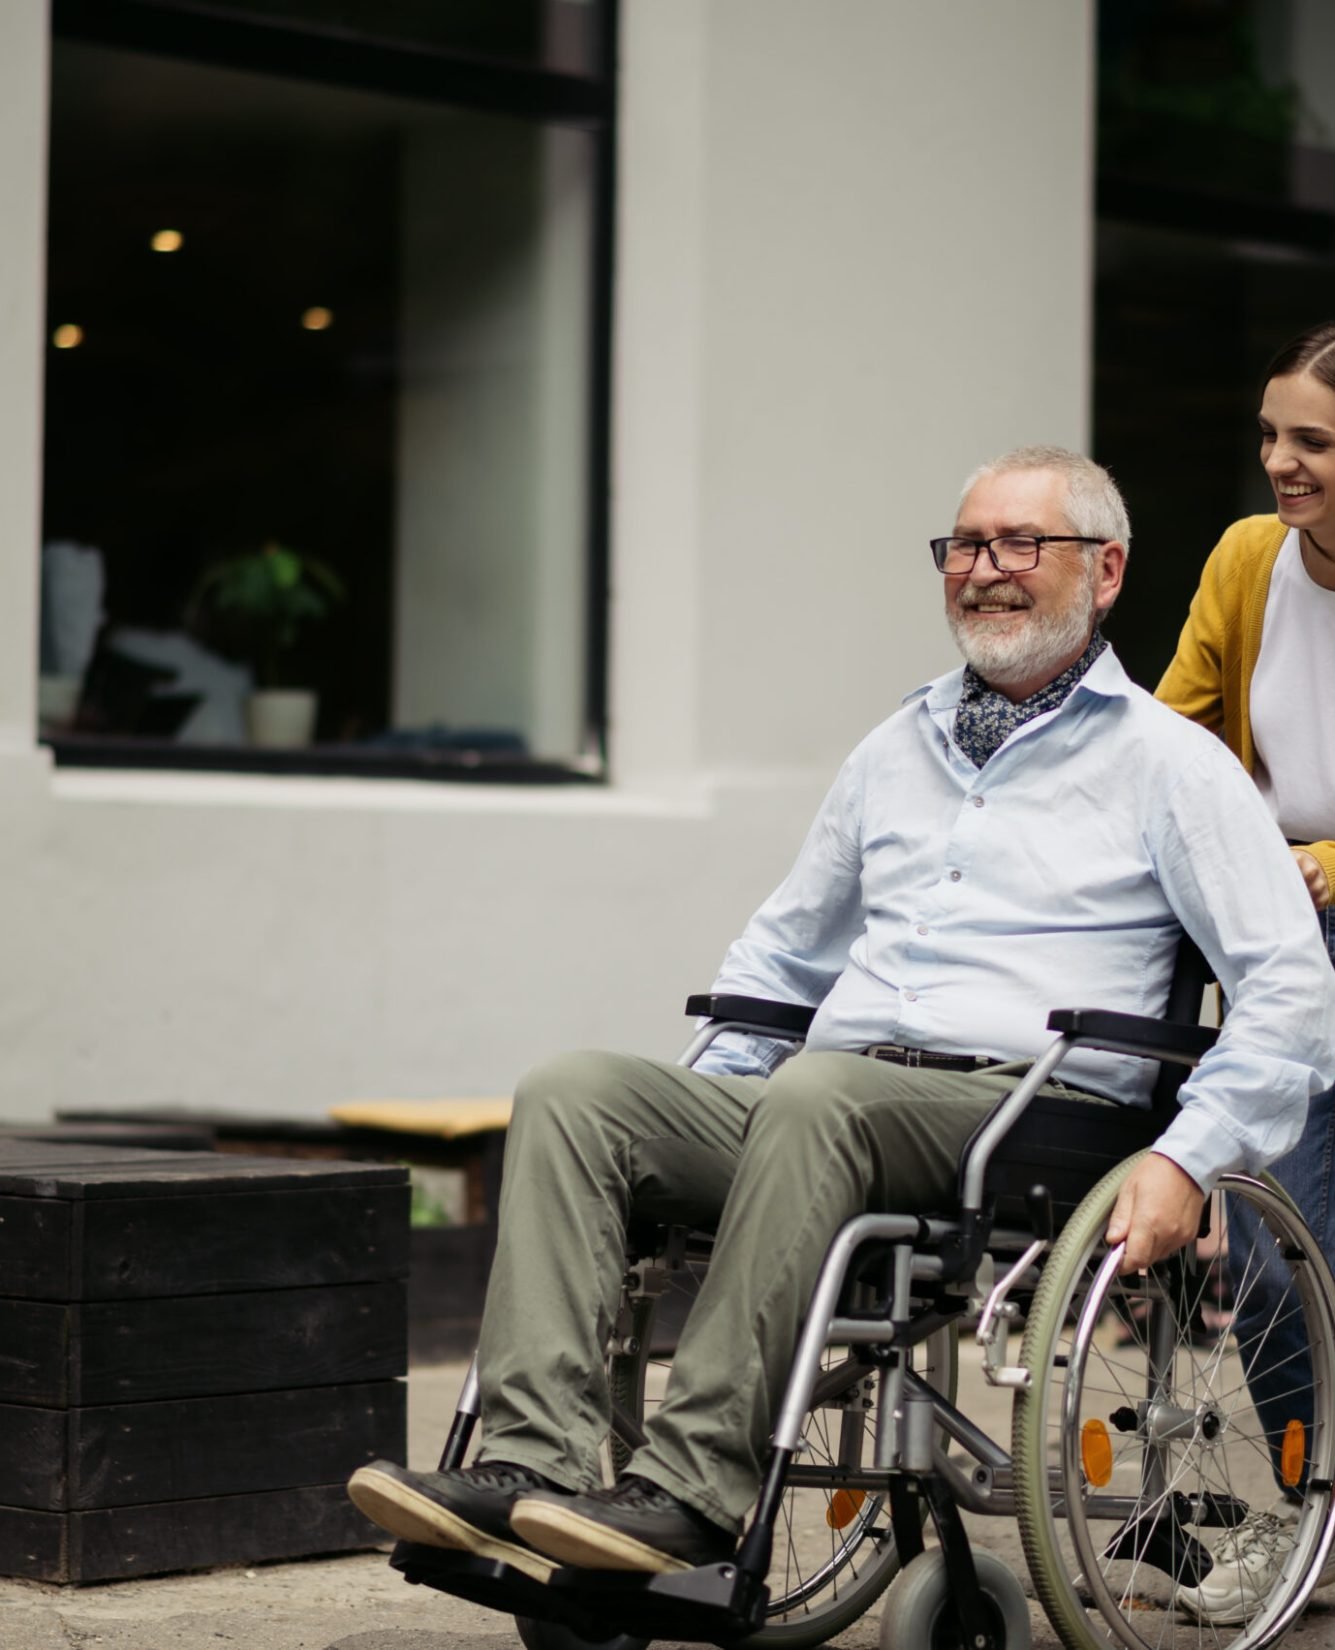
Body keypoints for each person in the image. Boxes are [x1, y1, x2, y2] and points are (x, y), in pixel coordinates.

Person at [348, 445, 1335, 1586]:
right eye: (965, 545)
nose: (984, 570)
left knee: (819, 1094)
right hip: (838, 1100)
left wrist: (1186, 1155)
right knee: (578, 1094)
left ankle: (691, 1494)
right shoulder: (895, 747)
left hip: (1033, 1117)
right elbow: (781, 956)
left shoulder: (1173, 765)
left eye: (1023, 544)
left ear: (1106, 572)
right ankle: (532, 1470)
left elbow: (1291, 992)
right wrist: (707, 1114)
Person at [1158, 321, 1335, 1626]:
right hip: (1284, 936)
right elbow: (1176, 730)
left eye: (1310, 442)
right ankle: (1305, 1521)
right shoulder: (1245, 557)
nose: (1277, 463)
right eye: (1269, 434)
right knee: (1272, 1248)